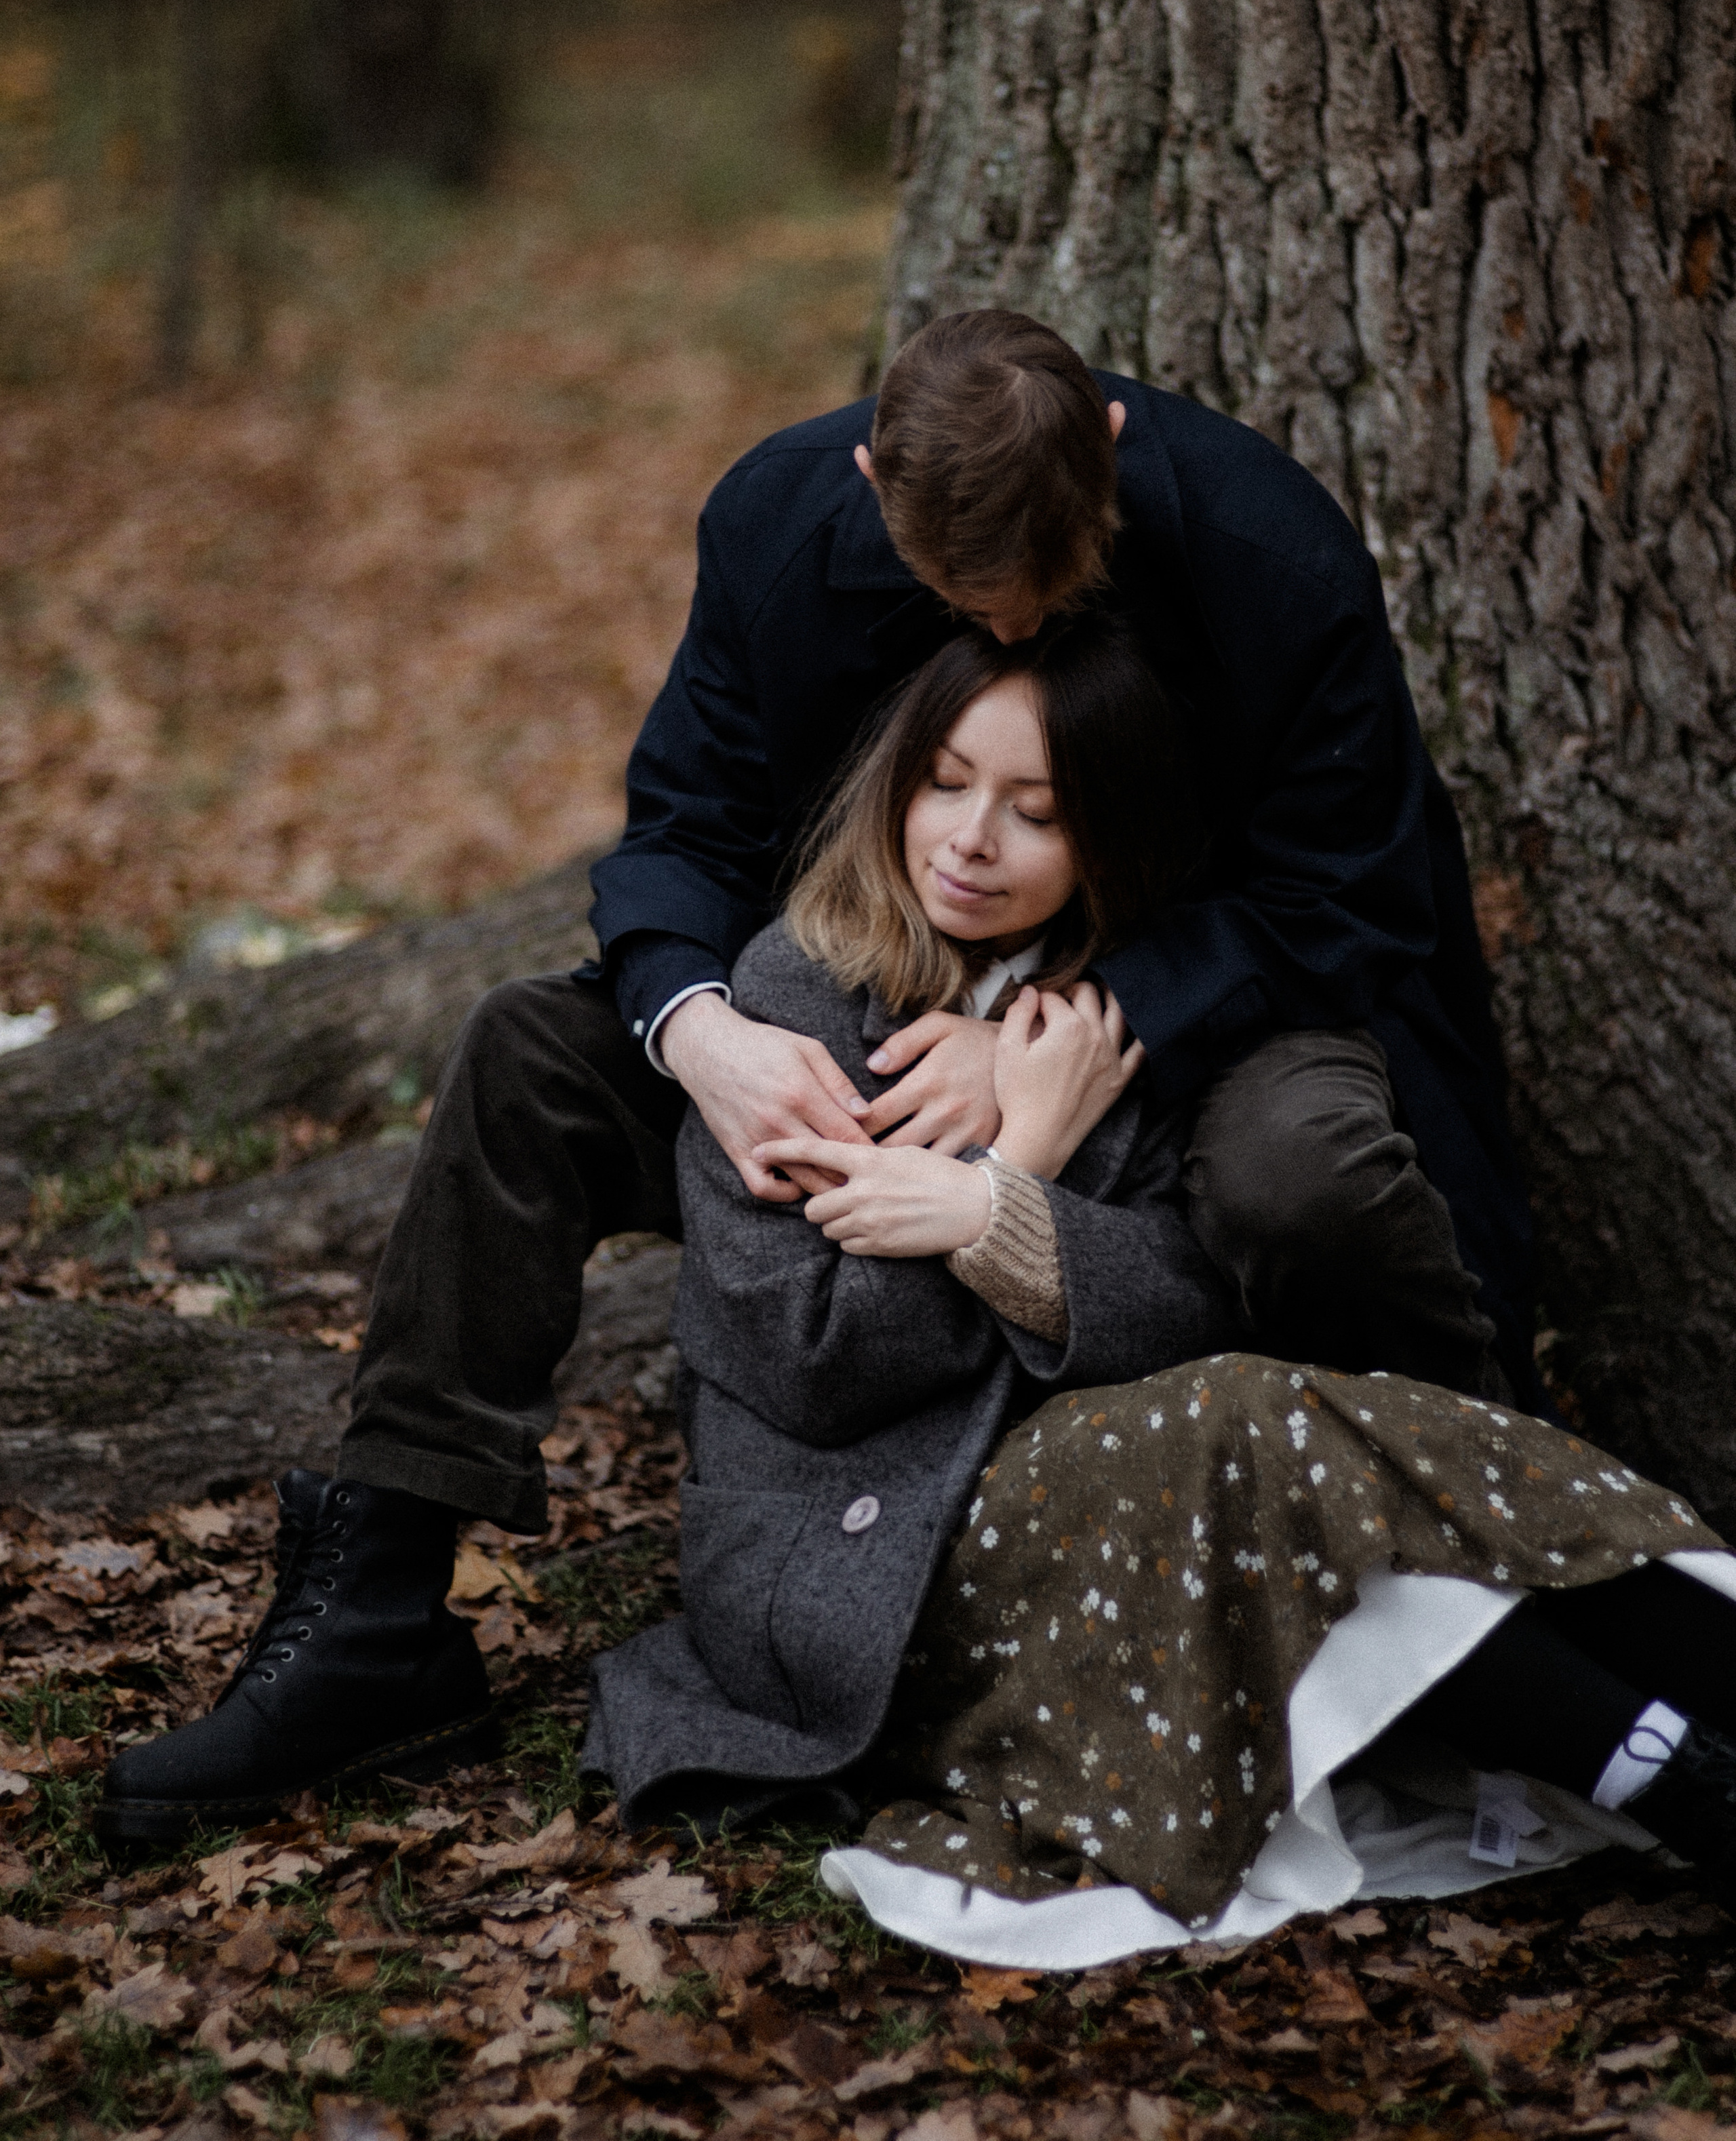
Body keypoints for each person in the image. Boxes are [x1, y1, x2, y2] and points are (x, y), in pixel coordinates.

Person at [98, 309, 1534, 1846]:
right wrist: (700, 1033)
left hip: (1202, 1008)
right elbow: (685, 824)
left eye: (1045, 586)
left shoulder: (1271, 554)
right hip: (863, 1010)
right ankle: (382, 1602)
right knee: (528, 1054)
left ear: (1109, 453)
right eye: (958, 594)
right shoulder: (778, 525)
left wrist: (1055, 1023)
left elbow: (1343, 898)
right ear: (869, 481)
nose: (1004, 622)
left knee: (1301, 1177)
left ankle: (1488, 1550)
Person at [579, 623, 1736, 1952]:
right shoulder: (795, 996)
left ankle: (1691, 1745)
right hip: (859, 1563)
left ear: (1107, 841)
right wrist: (1017, 1173)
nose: (970, 840)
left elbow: (1196, 1305)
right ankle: (1682, 1786)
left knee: (1293, 1456)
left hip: (1129, 1494)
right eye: (945, 784)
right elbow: (821, 1369)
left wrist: (998, 1206)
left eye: (1036, 813)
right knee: (1253, 1431)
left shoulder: (1103, 1024)